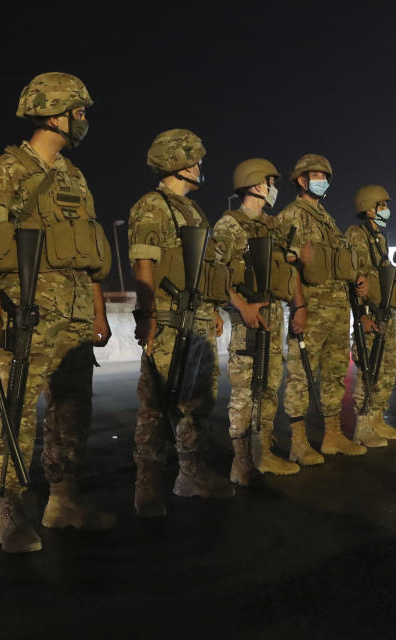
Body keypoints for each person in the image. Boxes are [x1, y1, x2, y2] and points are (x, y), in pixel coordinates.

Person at [0, 72, 116, 552]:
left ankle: (64, 500)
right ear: (54, 114)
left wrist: (99, 311)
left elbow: (90, 251)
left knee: (72, 411)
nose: (83, 120)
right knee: (15, 412)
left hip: (74, 315)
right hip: (25, 311)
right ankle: (9, 512)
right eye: (78, 112)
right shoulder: (6, 170)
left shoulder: (74, 175)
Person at [129, 129, 233, 517]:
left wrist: (214, 309)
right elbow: (144, 264)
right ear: (177, 162)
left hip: (200, 319)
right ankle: (148, 486)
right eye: (194, 159)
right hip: (169, 320)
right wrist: (148, 316)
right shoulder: (152, 206)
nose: (199, 166)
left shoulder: (193, 211)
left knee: (199, 403)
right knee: (155, 405)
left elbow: (204, 267)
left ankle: (191, 474)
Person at [212, 159, 301, 484]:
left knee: (268, 387)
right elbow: (215, 274)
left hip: (274, 313)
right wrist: (240, 306)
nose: (273, 186)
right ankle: (241, 462)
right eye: (269, 180)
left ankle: (263, 454)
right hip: (245, 319)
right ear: (253, 184)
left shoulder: (274, 226)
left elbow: (289, 268)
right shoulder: (229, 226)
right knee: (245, 391)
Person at [276, 154, 367, 460]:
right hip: (311, 310)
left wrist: (357, 278)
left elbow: (335, 263)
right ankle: (298, 443)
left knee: (335, 373)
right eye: (315, 176)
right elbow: (288, 266)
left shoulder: (326, 218)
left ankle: (332, 436)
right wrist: (298, 306)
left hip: (338, 312)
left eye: (325, 176)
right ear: (301, 181)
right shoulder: (292, 215)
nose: (322, 181)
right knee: (301, 375)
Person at [344, 185, 396, 445]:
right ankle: (363, 426)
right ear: (369, 208)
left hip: (384, 313)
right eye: (382, 205)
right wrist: (361, 315)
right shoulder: (355, 235)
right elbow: (354, 280)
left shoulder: (379, 238)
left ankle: (378, 420)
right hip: (369, 314)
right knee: (369, 370)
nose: (386, 210)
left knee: (386, 370)